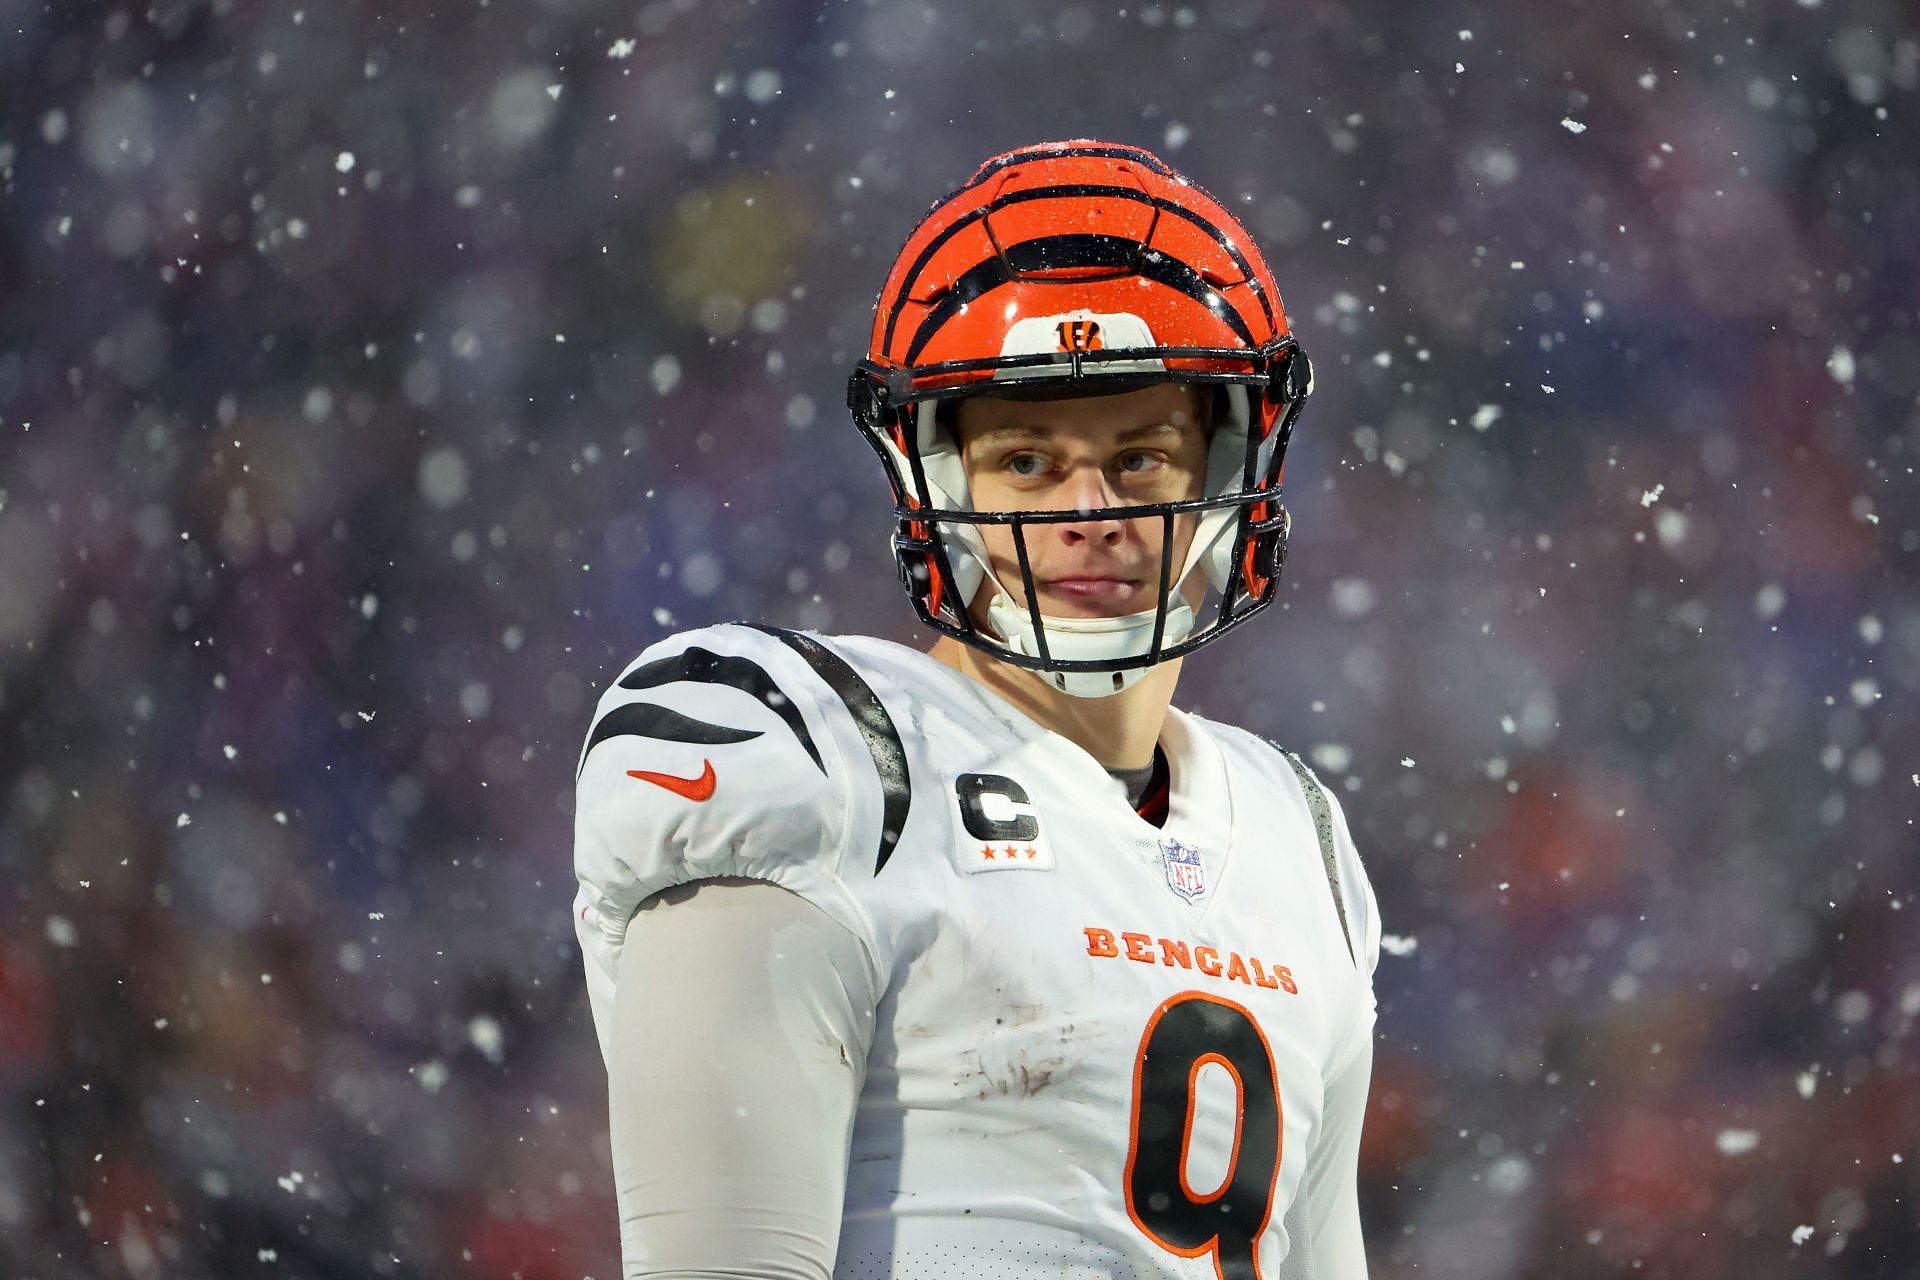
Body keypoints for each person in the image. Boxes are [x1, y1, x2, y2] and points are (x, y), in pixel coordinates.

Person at [573, 139, 1383, 1280]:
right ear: (937, 485)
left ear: (1236, 467)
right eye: (1028, 460)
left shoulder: (1298, 838)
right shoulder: (819, 759)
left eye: (1141, 457)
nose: (1089, 509)